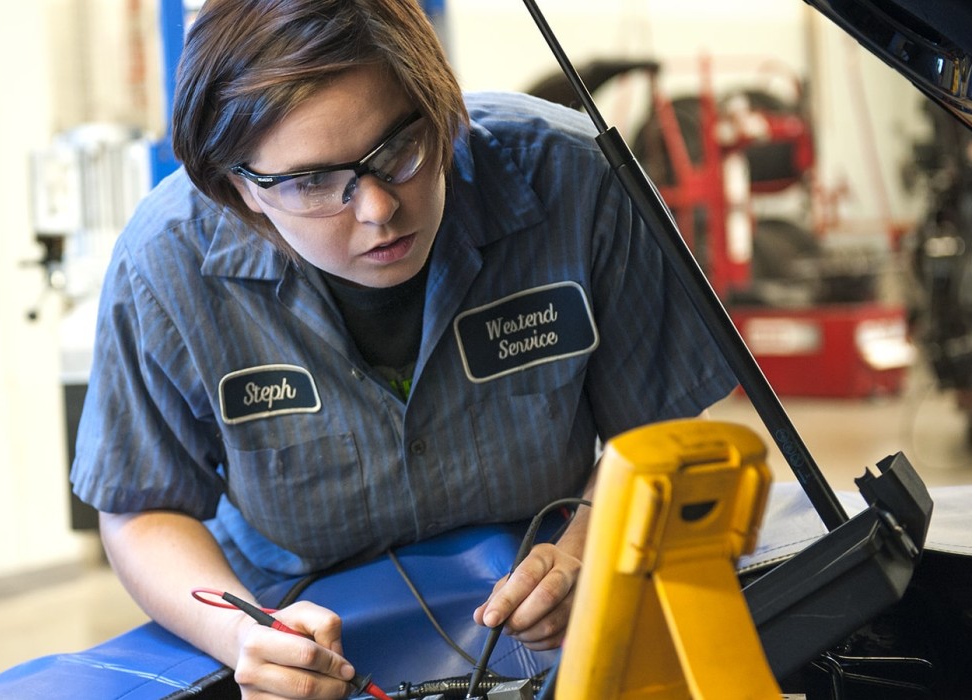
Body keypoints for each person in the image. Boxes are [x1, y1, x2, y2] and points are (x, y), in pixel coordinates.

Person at [69, 0, 737, 697]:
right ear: (241, 188)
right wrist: (246, 636)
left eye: (399, 150)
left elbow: (659, 429)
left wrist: (592, 549)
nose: (378, 208)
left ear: (441, 104)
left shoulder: (576, 179)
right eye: (313, 182)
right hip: (308, 633)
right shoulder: (166, 264)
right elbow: (142, 509)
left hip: (551, 614)